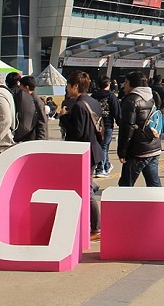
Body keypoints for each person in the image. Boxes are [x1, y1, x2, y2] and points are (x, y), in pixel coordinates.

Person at [60, 71, 103, 239]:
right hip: (94, 150)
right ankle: (92, 225)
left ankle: (96, 227)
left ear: (75, 86)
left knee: (86, 191)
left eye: (68, 86)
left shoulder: (78, 105)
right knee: (85, 188)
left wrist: (64, 118)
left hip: (84, 152)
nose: (67, 89)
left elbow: (77, 132)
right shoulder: (93, 102)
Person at [117, 72, 162, 187]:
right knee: (154, 183)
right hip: (153, 146)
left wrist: (122, 152)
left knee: (125, 185)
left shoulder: (131, 100)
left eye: (126, 82)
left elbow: (128, 127)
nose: (124, 86)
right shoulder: (151, 97)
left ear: (133, 84)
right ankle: (160, 203)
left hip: (138, 150)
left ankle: (124, 205)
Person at [91, 76, 121, 177]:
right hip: (107, 124)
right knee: (104, 146)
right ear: (108, 84)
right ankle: (100, 168)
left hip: (95, 124)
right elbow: (116, 111)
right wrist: (120, 123)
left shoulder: (93, 96)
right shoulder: (111, 96)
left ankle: (106, 165)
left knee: (102, 146)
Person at [19, 75, 48, 141]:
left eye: (21, 85)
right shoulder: (30, 99)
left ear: (26, 87)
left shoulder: (36, 101)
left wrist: (41, 140)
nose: (19, 88)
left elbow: (42, 121)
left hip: (34, 137)